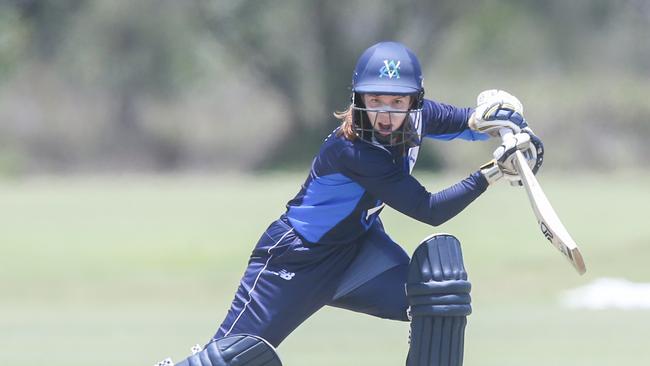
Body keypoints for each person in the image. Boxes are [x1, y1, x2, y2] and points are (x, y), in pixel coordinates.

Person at [158, 41, 543, 366]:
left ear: (415, 100)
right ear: (359, 99)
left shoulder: (418, 118)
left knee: (438, 297)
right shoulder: (353, 151)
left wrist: (504, 127)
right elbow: (429, 210)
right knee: (230, 358)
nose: (387, 112)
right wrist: (493, 172)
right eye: (376, 100)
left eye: (398, 100)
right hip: (296, 259)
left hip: (359, 252)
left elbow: (466, 123)